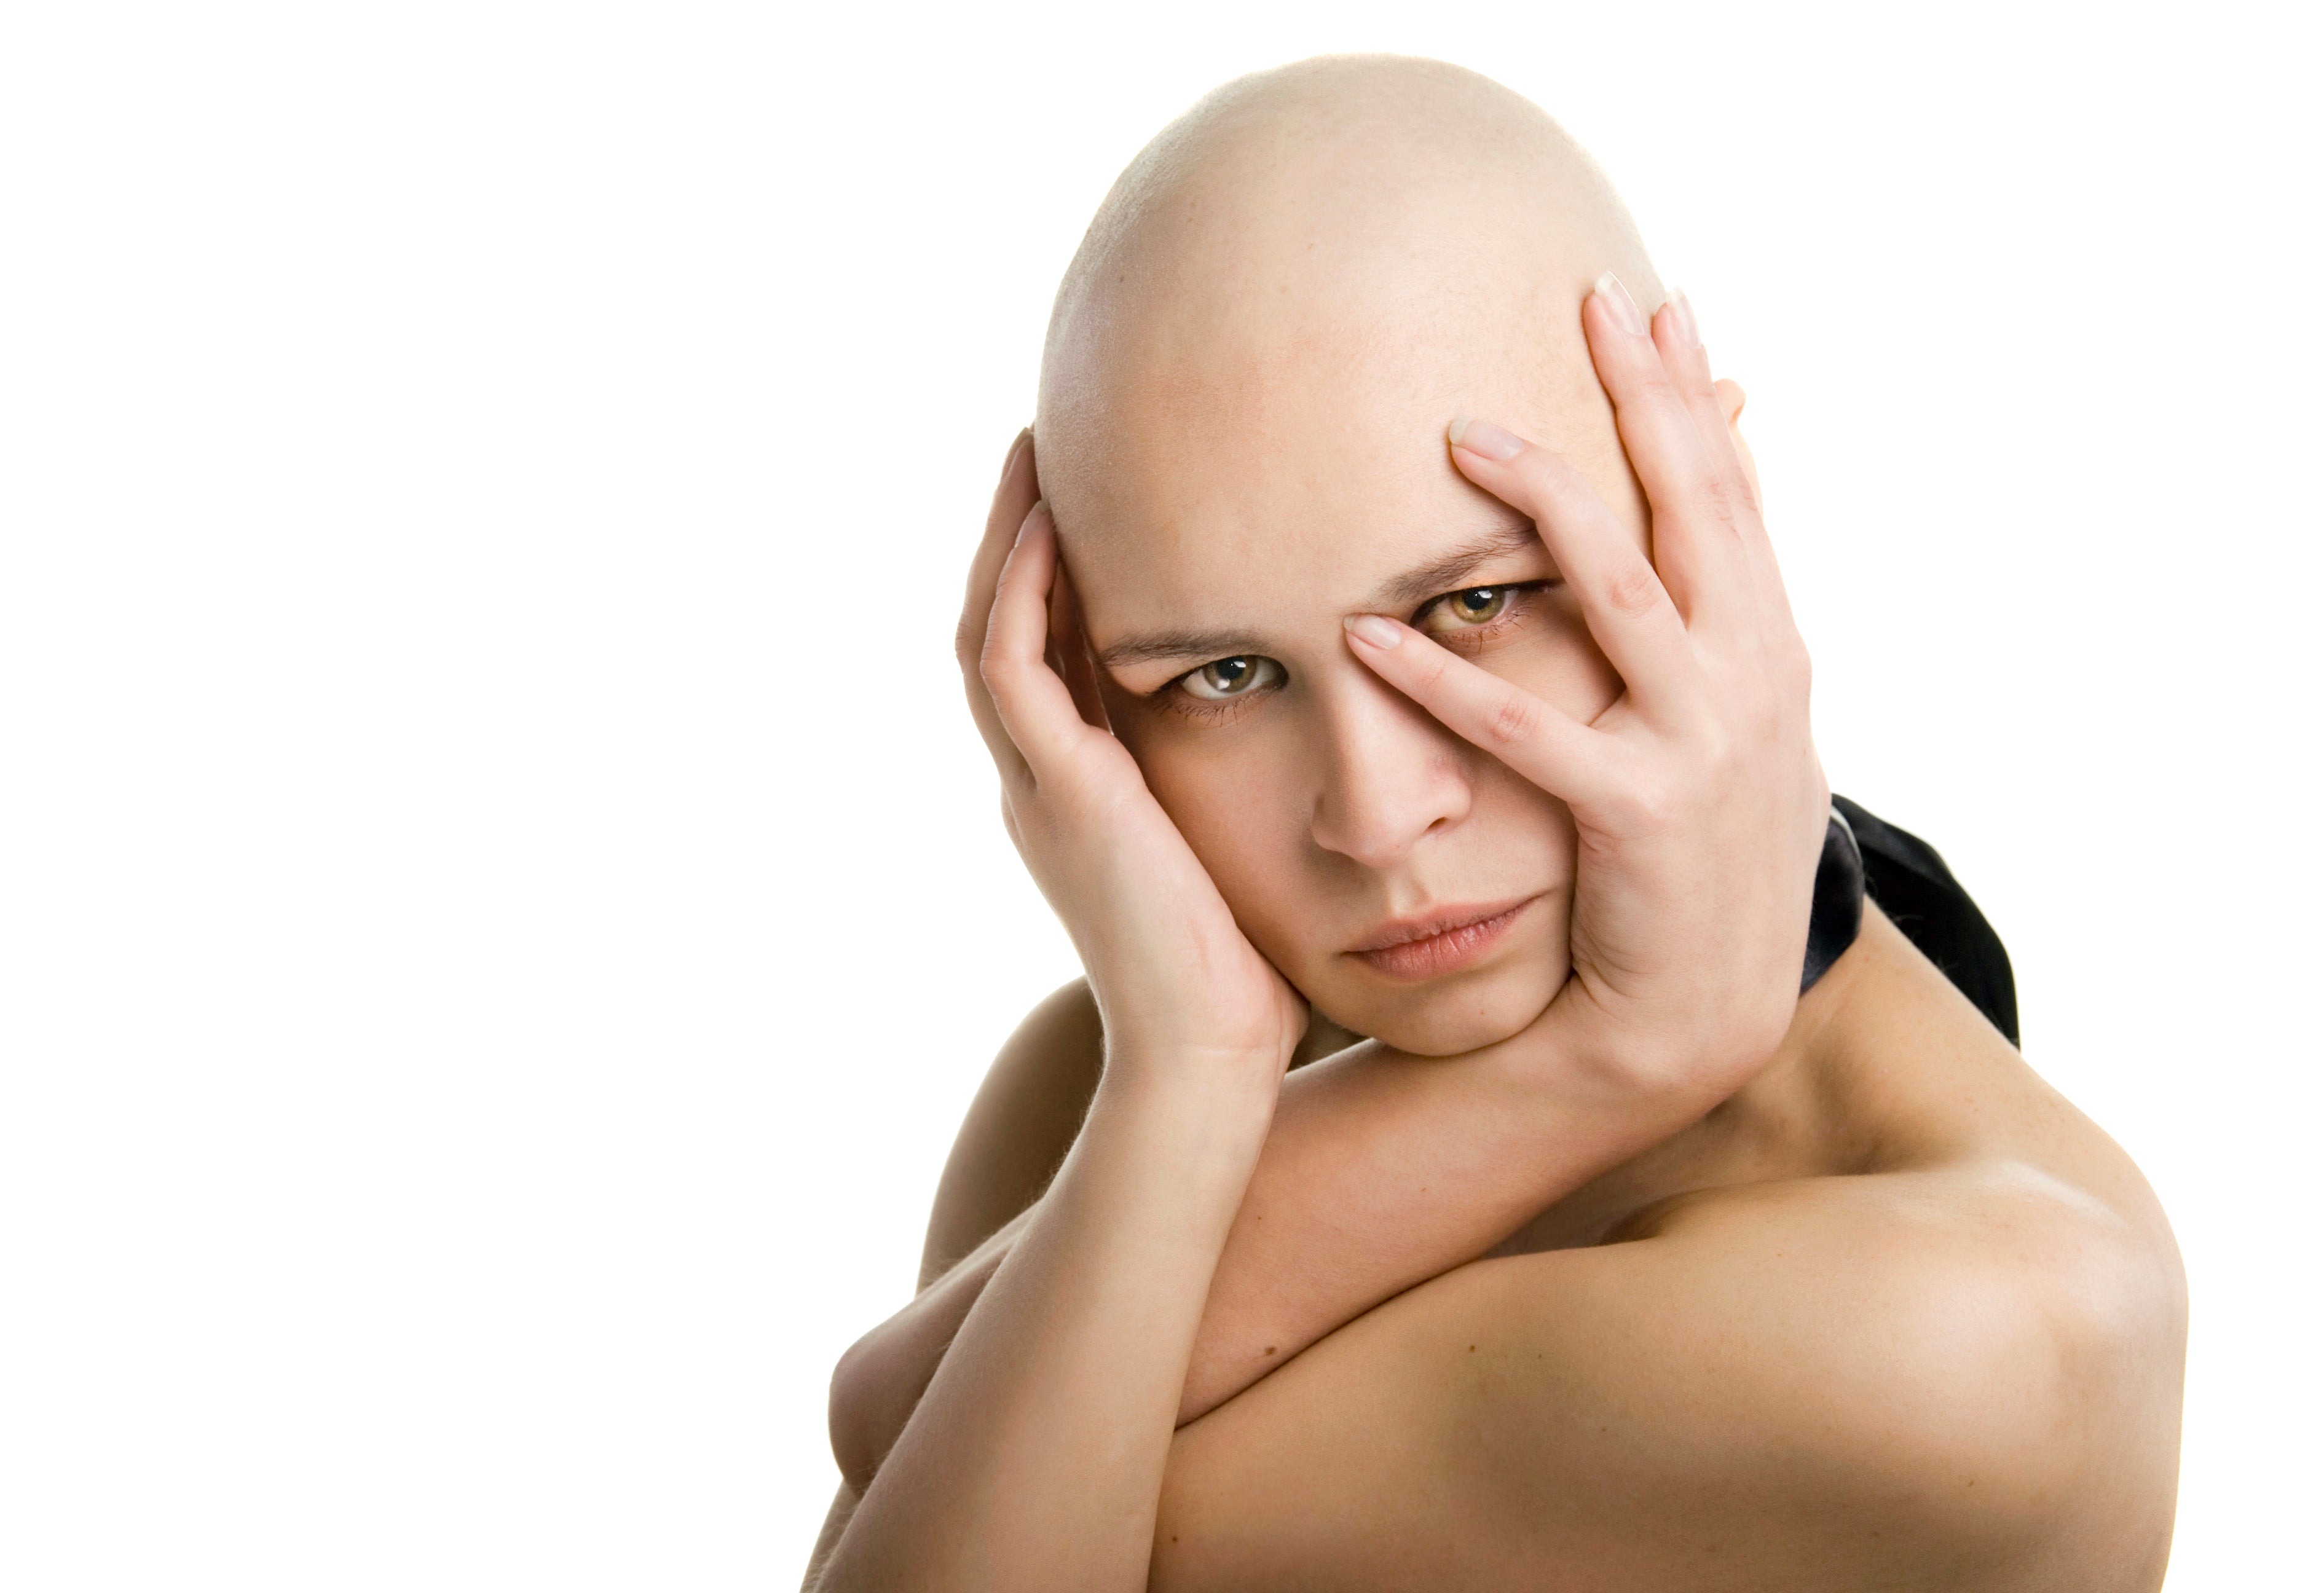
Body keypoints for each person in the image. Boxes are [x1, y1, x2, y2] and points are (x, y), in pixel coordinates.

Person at [801, 54, 2184, 1592]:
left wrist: (1175, 1138)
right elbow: (886, 1427)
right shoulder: (1142, 1064)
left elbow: (907, 1454)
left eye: (1475, 605)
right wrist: (1562, 1066)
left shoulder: (1982, 1328)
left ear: (1703, 506)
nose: (1380, 819)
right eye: (1221, 676)